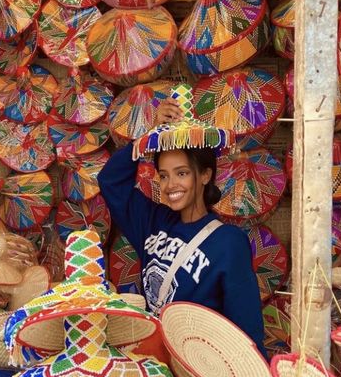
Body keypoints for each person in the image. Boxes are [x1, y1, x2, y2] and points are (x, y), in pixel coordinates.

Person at [98, 97, 267, 358]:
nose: (170, 185)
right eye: (163, 175)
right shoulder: (153, 221)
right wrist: (148, 136)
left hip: (197, 371)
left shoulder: (228, 243)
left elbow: (247, 331)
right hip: (151, 361)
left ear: (205, 175)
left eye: (182, 173)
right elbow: (110, 181)